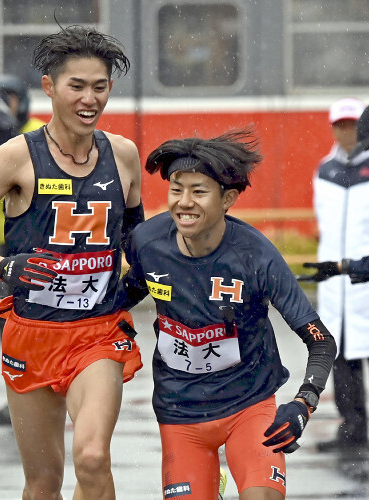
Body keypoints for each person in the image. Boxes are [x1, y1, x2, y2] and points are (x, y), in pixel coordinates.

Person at [0, 24, 144, 500]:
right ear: (49, 87)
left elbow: (139, 242)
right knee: (44, 482)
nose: (89, 99)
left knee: (92, 458)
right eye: (77, 86)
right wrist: (1, 266)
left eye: (100, 87)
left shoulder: (125, 155)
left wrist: (150, 281)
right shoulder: (15, 157)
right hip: (31, 334)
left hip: (98, 332)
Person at [116, 130, 337, 499]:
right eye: (176, 189)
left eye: (199, 191)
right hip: (179, 411)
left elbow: (321, 341)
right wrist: (114, 332)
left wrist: (304, 403)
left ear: (228, 199)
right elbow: (124, 296)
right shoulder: (147, 243)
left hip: (249, 407)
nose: (184, 203)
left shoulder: (257, 257)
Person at [301, 97, 369, 453]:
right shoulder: (324, 169)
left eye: (353, 124)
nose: (348, 132)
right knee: (340, 353)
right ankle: (352, 427)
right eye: (341, 125)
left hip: (364, 277)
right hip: (336, 281)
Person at [0, 74, 45, 254]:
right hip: (3, 235)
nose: (2, 105)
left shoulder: (40, 131)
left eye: (7, 98)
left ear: (21, 102)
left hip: (38, 233)